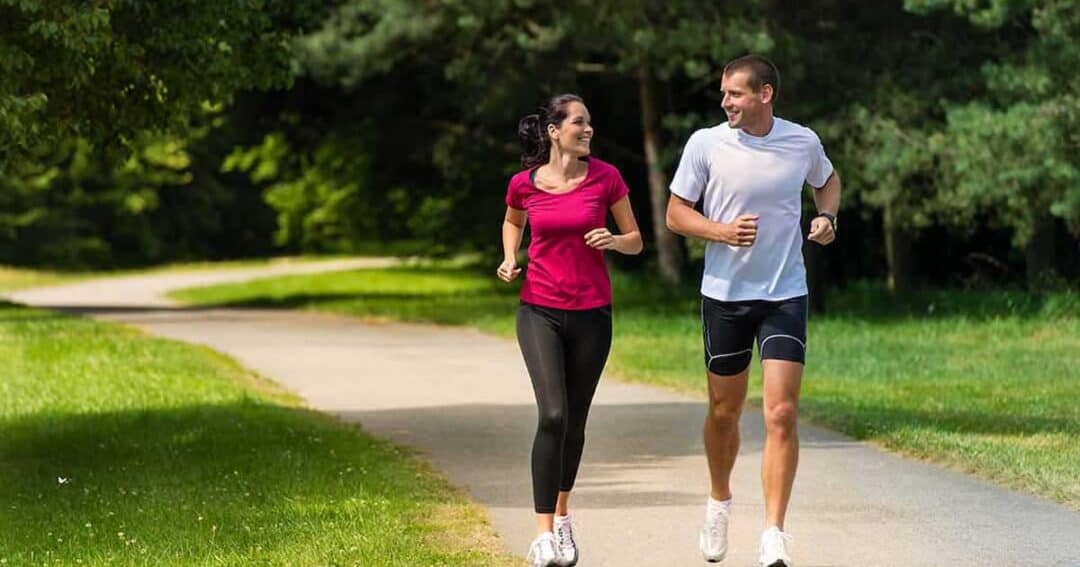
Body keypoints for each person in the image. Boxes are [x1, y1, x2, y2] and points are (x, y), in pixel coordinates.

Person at [665, 54, 841, 567]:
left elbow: (827, 180)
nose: (725, 103)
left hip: (785, 291)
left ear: (765, 94)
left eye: (735, 94)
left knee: (782, 411)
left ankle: (773, 532)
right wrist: (719, 231)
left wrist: (826, 215)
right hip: (725, 294)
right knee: (725, 411)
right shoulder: (705, 144)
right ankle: (719, 501)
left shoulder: (801, 141)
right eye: (723, 94)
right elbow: (676, 214)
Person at [499, 93, 643, 567]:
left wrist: (614, 240)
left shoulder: (607, 178)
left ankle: (562, 517)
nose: (588, 130)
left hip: (592, 314)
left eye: (590, 122)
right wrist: (509, 256)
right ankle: (542, 534)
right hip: (538, 310)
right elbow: (512, 220)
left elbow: (636, 239)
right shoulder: (524, 183)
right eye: (579, 122)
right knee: (553, 416)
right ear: (554, 131)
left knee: (575, 423)